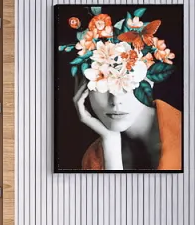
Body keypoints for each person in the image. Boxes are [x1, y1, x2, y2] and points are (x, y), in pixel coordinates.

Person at [60, 9, 181, 171]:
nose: (116, 100)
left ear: (149, 79)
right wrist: (110, 143)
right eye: (104, 83)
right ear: (81, 85)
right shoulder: (94, 159)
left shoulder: (189, 134)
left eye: (128, 81)